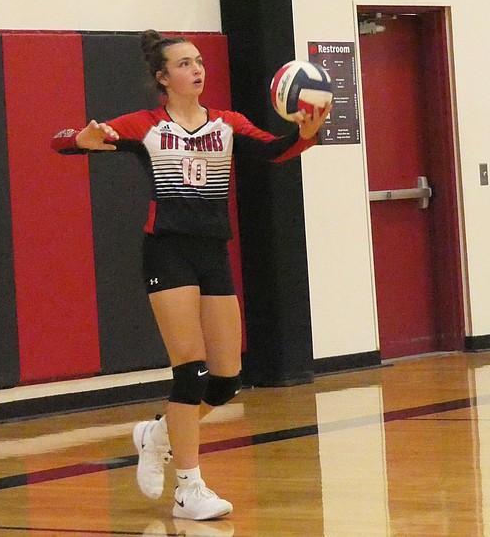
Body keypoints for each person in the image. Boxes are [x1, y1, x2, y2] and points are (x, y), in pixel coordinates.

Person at [51, 29, 329, 521]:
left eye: (198, 61)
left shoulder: (227, 123)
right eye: (183, 64)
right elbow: (63, 142)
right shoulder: (146, 125)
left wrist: (307, 133)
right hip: (168, 254)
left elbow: (275, 152)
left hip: (212, 254)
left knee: (224, 382)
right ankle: (188, 488)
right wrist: (81, 139)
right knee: (191, 371)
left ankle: (155, 435)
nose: (196, 69)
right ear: (163, 78)